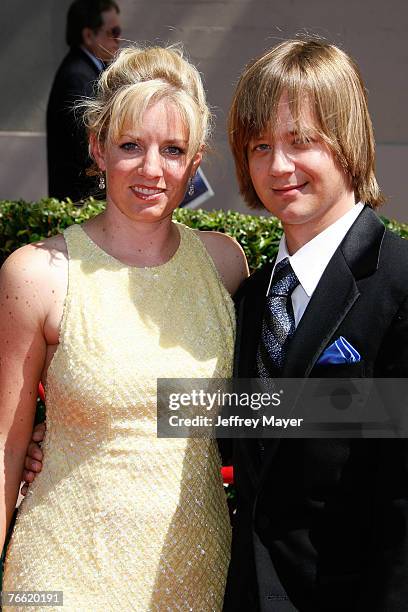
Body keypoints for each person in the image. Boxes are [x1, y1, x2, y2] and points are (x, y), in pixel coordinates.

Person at [0, 45, 248, 610]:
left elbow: (256, 410)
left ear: (196, 160)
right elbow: (4, 446)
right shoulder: (40, 273)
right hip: (62, 575)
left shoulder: (225, 265)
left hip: (196, 574)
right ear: (97, 147)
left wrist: (375, 411)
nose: (151, 169)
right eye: (131, 145)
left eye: (173, 149)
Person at [222, 39, 408, 611]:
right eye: (260, 145)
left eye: (302, 141)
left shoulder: (399, 286)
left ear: (348, 140)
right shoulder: (252, 297)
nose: (278, 166)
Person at [46, 0, 121, 202]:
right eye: (113, 31)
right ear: (88, 35)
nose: (118, 39)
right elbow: (87, 147)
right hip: (81, 201)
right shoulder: (77, 77)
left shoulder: (89, 70)